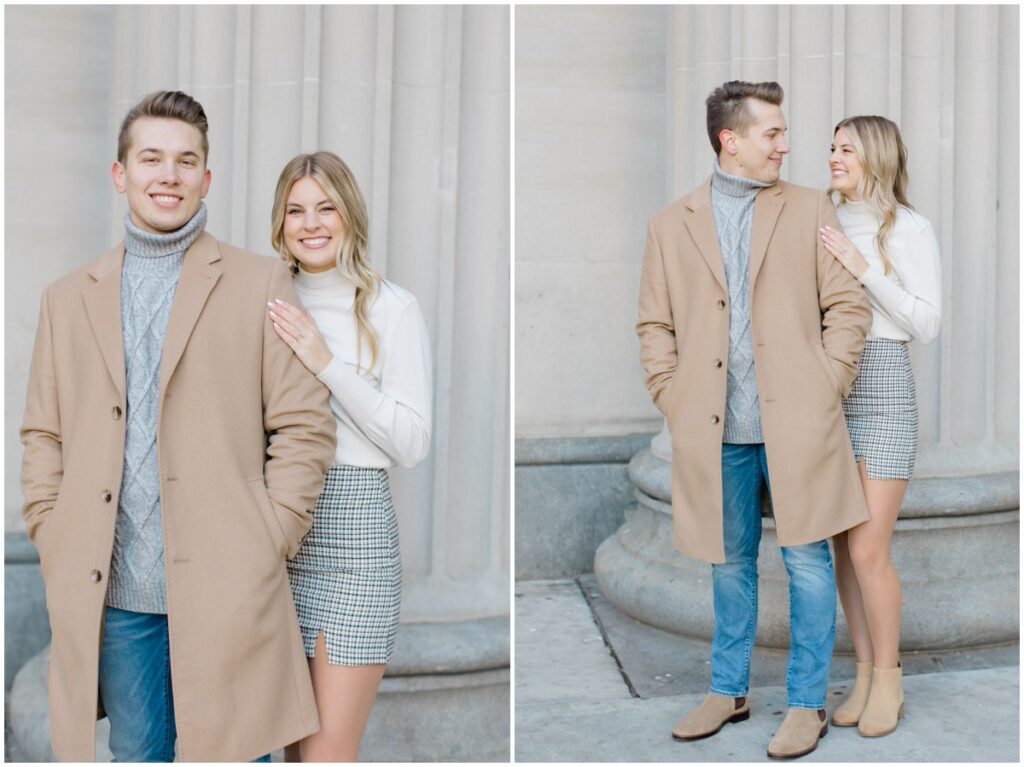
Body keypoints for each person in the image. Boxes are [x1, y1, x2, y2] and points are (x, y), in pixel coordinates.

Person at [20, 90, 336, 762]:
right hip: (117, 596)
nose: (169, 174)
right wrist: (53, 531)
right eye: (152, 158)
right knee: (138, 755)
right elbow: (42, 434)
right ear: (121, 173)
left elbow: (304, 425)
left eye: (186, 161)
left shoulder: (260, 281)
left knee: (233, 754)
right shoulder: (66, 297)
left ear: (206, 178)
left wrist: (269, 536)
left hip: (229, 585)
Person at [636, 80, 872, 759]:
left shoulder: (807, 207)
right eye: (771, 133)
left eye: (783, 131)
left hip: (798, 423)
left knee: (807, 564)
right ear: (729, 139)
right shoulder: (669, 223)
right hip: (714, 430)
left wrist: (826, 384)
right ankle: (728, 689)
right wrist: (672, 394)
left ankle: (806, 703)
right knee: (728, 564)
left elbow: (847, 307)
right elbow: (654, 324)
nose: (786, 144)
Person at [267, 151, 433, 761]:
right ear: (280, 222)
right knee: (286, 748)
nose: (311, 223)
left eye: (326, 207)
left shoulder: (393, 308)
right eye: (295, 210)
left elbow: (412, 442)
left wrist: (326, 363)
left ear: (349, 215)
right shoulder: (266, 303)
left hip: (354, 537)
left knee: (326, 754)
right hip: (275, 530)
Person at [819, 116, 941, 737]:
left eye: (846, 148)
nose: (834, 156)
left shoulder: (910, 228)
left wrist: (864, 269)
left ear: (876, 156)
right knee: (843, 545)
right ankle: (864, 672)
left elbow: (926, 322)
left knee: (870, 548)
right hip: (831, 384)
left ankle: (889, 680)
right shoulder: (825, 219)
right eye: (832, 146)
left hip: (887, 384)